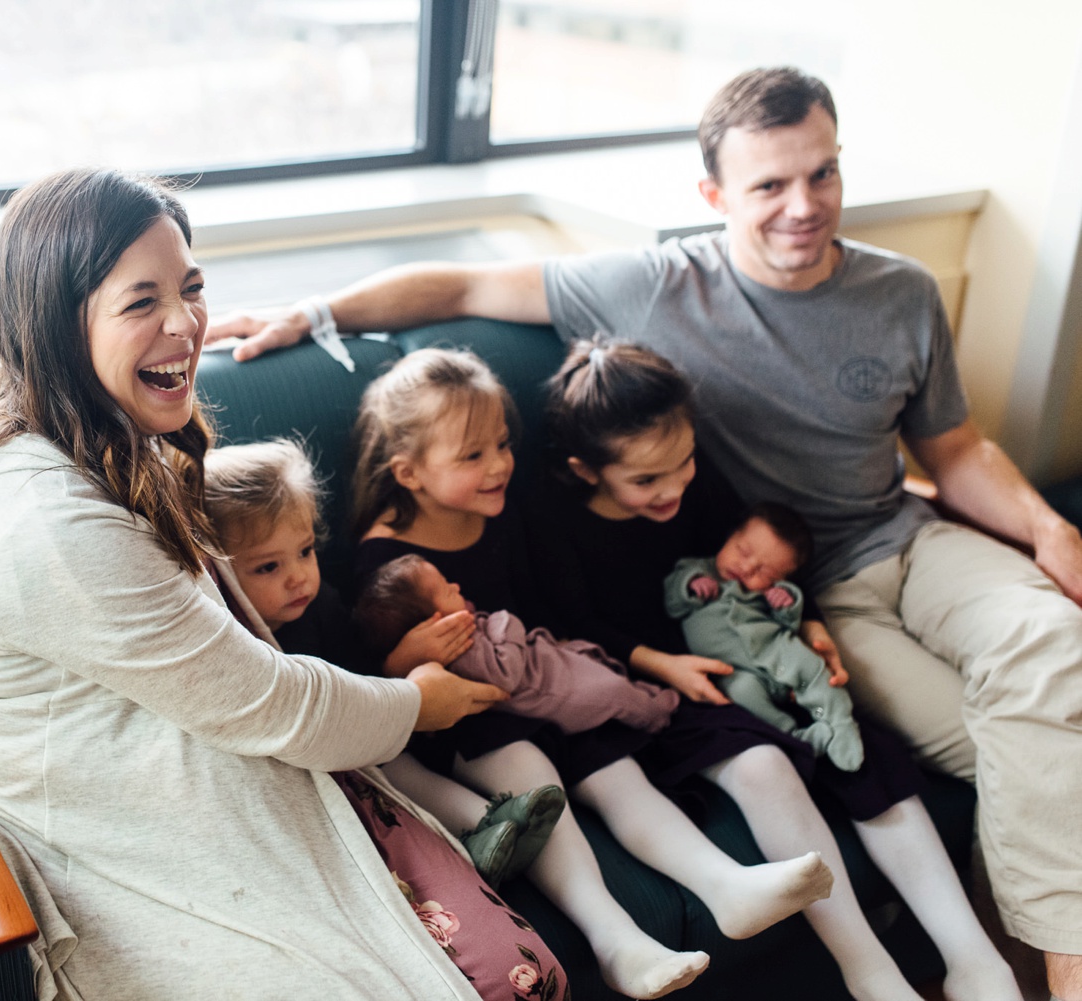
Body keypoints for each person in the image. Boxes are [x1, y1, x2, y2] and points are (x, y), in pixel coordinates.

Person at [205, 65, 1082, 999]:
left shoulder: (900, 290)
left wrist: (1046, 527)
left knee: (1052, 654)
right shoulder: (657, 286)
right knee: (1021, 738)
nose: (804, 206)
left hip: (910, 536)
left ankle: (1051, 965)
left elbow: (954, 447)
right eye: (771, 185)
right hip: (813, 591)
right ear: (714, 197)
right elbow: (463, 281)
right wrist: (320, 311)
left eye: (822, 174)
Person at [0, 167, 578, 1000]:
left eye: (191, 288)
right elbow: (275, 705)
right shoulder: (47, 520)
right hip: (114, 819)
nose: (186, 324)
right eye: (141, 301)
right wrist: (417, 704)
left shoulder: (95, 435)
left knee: (521, 973)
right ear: (56, 323)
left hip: (200, 746)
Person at [530, 338, 1021, 1001]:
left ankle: (973, 957)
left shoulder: (696, 483)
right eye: (646, 480)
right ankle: (868, 968)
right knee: (762, 765)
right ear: (586, 470)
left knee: (858, 749)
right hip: (655, 681)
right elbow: (572, 623)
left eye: (683, 463)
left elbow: (763, 553)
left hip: (751, 647)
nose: (674, 486)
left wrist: (811, 622)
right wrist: (662, 664)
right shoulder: (555, 521)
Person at [349, 346, 837, 1000]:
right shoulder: (381, 561)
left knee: (617, 768)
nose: (499, 465)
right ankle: (616, 941)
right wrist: (411, 657)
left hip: (541, 684)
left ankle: (725, 885)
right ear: (408, 472)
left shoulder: (505, 510)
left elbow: (550, 613)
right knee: (533, 772)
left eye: (501, 444)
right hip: (469, 716)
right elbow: (372, 674)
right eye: (473, 456)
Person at [201, 437, 567, 889]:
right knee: (390, 773)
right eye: (267, 568)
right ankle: (477, 826)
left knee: (396, 759)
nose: (298, 577)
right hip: (311, 765)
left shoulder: (323, 604)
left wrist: (402, 663)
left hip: (364, 731)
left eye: (305, 551)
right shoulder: (238, 641)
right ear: (216, 574)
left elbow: (366, 675)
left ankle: (496, 826)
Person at [356, 553, 680, 735]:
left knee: (606, 670)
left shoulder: (468, 633)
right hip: (557, 693)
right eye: (447, 590)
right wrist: (507, 622)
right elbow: (504, 675)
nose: (456, 585)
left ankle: (646, 695)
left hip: (556, 666)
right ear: (437, 623)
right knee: (615, 694)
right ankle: (659, 716)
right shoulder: (460, 654)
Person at [665, 502, 865, 771]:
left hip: (777, 649)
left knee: (814, 668)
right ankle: (795, 736)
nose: (746, 568)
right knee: (742, 694)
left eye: (764, 572)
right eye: (743, 551)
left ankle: (839, 721)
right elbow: (672, 602)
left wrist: (786, 602)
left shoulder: (768, 593)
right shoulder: (696, 570)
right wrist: (691, 585)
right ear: (730, 536)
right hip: (736, 671)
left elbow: (790, 624)